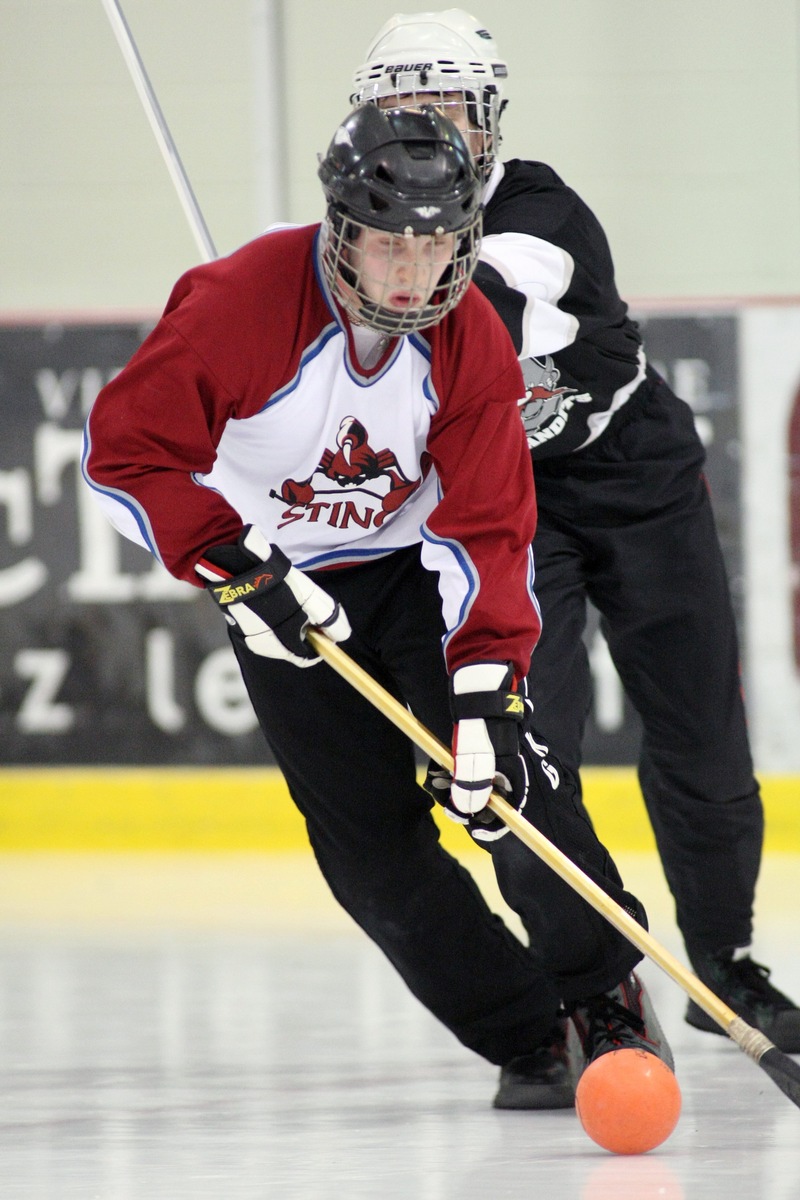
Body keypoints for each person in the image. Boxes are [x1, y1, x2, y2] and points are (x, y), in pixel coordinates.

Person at [83, 103, 673, 1111]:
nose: (413, 267)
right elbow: (126, 453)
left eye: (438, 240)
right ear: (341, 225)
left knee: (508, 789)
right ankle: (523, 1029)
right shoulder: (236, 304)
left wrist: (487, 683)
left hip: (413, 570)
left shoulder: (467, 337)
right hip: (275, 579)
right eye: (390, 239)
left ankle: (602, 992)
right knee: (364, 846)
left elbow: (485, 522)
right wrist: (233, 566)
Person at [350, 8, 800, 1054]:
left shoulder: (538, 211)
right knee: (523, 751)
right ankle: (593, 985)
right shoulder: (361, 232)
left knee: (697, 730)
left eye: (450, 106)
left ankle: (724, 959)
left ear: (488, 118)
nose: (431, 129)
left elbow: (500, 303)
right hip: (511, 507)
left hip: (634, 475)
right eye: (405, 107)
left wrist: (376, 313)